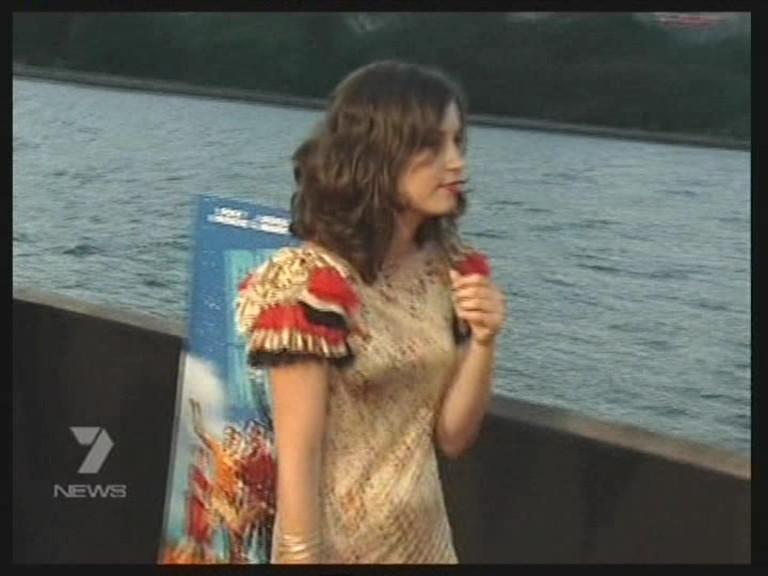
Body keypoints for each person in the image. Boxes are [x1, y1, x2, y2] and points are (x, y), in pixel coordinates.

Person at [235, 60, 506, 564]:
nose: (457, 164)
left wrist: (486, 342)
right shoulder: (309, 287)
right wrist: (300, 557)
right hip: (334, 549)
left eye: (458, 142)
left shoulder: (452, 272)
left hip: (427, 545)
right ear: (380, 153)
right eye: (433, 145)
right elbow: (300, 459)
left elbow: (452, 437)